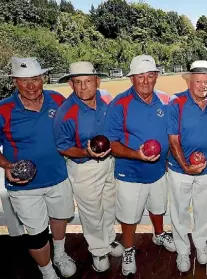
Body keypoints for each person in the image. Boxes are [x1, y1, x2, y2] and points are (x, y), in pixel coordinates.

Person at [0, 57, 76, 279]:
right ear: (14, 81)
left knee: (60, 218)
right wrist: (6, 164)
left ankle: (60, 254)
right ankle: (47, 272)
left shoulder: (57, 99)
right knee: (36, 234)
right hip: (24, 186)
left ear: (42, 78)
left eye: (35, 79)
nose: (31, 85)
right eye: (24, 81)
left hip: (58, 177)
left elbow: (72, 127)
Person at [103, 54, 175, 276]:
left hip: (158, 171)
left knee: (158, 208)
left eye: (150, 75)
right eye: (140, 76)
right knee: (129, 216)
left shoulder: (164, 100)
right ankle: (129, 248)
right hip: (130, 173)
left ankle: (159, 234)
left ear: (156, 77)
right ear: (131, 79)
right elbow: (111, 143)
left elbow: (172, 135)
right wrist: (137, 154)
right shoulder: (119, 104)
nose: (145, 81)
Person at [53, 61, 124, 272]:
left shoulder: (105, 102)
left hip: (109, 163)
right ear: (71, 84)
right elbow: (63, 147)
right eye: (78, 82)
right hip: (84, 168)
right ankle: (98, 250)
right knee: (92, 212)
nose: (83, 87)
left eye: (88, 81)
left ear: (97, 82)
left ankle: (108, 239)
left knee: (109, 205)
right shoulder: (65, 112)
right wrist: (86, 152)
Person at [167, 60, 207, 272]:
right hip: (180, 169)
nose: (202, 86)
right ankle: (182, 250)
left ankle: (200, 244)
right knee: (179, 211)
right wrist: (186, 166)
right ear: (189, 81)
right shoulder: (176, 103)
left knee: (203, 210)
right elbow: (173, 139)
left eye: (206, 82)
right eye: (198, 81)